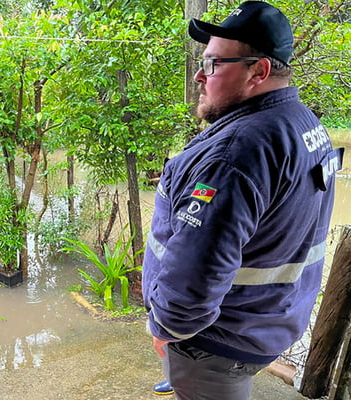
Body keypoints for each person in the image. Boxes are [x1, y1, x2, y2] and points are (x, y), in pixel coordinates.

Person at [142, 2, 344, 400]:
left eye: (214, 64)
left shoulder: (236, 154)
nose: (200, 76)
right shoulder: (304, 122)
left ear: (259, 71)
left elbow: (195, 271)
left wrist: (168, 329)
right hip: (266, 321)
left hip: (215, 342)